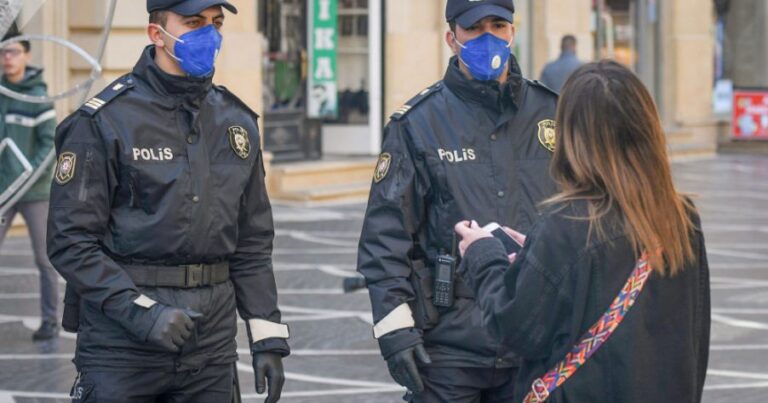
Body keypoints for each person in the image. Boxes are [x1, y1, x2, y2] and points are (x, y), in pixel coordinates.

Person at [47, 1, 289, 401]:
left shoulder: (236, 123)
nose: (208, 35)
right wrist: (141, 311)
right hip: (121, 349)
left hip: (211, 347)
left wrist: (266, 335)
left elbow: (253, 242)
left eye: (216, 23)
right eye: (193, 23)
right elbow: (69, 241)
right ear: (156, 34)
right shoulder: (105, 121)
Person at [455, 60, 711, 403]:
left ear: (573, 135)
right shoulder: (682, 218)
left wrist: (482, 254)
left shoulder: (568, 225)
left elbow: (515, 327)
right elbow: (696, 337)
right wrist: (534, 252)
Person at [357, 0, 559, 401]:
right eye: (474, 28)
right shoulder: (417, 124)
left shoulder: (552, 112)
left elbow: (581, 220)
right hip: (449, 350)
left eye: (498, 25)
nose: (488, 37)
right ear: (452, 39)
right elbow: (386, 239)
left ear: (513, 33)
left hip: (534, 343)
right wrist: (396, 333)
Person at [0, 31, 58, 341]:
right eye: (3, 52)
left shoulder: (39, 96)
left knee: (43, 258)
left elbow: (49, 145)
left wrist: (26, 176)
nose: (8, 57)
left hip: (34, 193)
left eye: (14, 52)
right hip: (2, 193)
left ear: (26, 56)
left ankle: (50, 320)